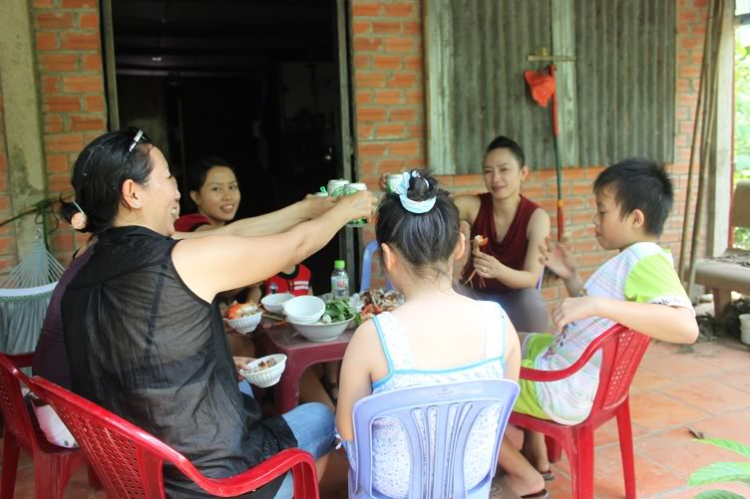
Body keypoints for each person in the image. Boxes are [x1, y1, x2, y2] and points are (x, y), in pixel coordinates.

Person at [59, 129, 374, 498]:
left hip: (143, 474)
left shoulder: (84, 266)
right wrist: (346, 210)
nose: (177, 192)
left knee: (239, 388)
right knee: (321, 417)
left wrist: (306, 209)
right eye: (168, 178)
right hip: (215, 483)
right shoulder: (177, 259)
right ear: (133, 193)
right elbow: (295, 248)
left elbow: (239, 231)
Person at [498, 159, 699, 497]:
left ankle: (522, 477)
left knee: (474, 379)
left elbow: (686, 327)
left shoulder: (644, 259)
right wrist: (572, 277)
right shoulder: (635, 259)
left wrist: (594, 303)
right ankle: (537, 454)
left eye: (602, 211)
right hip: (587, 381)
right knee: (512, 338)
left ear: (636, 218)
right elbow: (604, 321)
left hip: (564, 388)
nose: (595, 220)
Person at [335, 170, 522, 498]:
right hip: (470, 486)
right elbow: (498, 416)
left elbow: (347, 430)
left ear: (387, 258)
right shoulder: (500, 324)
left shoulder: (372, 337)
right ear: (460, 246)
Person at [454, 136, 551, 333]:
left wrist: (498, 270)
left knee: (532, 300)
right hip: (474, 296)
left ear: (523, 173)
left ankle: (530, 360)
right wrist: (405, 189)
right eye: (488, 171)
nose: (495, 178)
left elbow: (531, 278)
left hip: (515, 300)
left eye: (504, 169)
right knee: (446, 291)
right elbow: (439, 209)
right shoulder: (475, 206)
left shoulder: (537, 218)